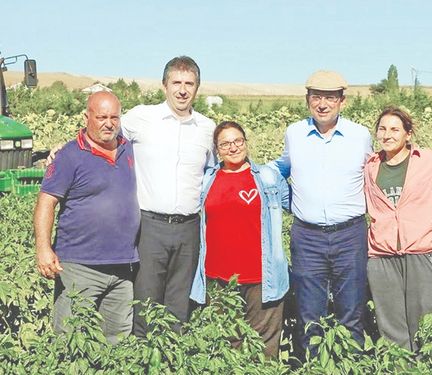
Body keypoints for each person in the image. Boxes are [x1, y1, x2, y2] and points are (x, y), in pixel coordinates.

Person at [270, 70, 372, 352]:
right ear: (307, 100)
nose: (323, 104)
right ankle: (311, 366)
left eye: (330, 97)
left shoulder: (360, 136)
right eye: (317, 97)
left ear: (342, 100)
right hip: (307, 236)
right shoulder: (294, 133)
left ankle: (351, 366)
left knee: (351, 313)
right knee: (308, 316)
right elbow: (280, 170)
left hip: (350, 234)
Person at [34, 91, 139, 345]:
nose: (108, 123)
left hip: (123, 266)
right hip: (79, 266)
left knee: (117, 341)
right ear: (86, 117)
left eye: (114, 117)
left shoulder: (129, 149)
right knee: (70, 339)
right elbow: (46, 202)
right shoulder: (69, 155)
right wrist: (43, 248)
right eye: (101, 116)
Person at [123, 56, 216, 336]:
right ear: (164, 85)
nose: (182, 90)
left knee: (179, 304)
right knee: (146, 302)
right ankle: (143, 358)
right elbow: (102, 135)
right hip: (150, 225)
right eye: (176, 82)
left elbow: (215, 171)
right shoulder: (141, 118)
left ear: (197, 88)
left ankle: (174, 359)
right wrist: (62, 150)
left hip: (189, 227)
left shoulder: (206, 128)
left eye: (189, 83)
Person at [190, 121, 290, 358]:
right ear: (216, 150)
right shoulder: (206, 180)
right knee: (227, 342)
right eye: (225, 144)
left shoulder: (268, 177)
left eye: (238, 141)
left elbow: (296, 205)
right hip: (219, 279)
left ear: (246, 142)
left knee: (264, 346)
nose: (233, 148)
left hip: (261, 278)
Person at [364, 107, 432, 351]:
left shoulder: (430, 161)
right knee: (391, 330)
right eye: (382, 129)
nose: (387, 135)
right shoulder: (370, 166)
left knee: (426, 327)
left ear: (408, 134)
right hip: (382, 256)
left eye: (394, 129)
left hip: (423, 252)